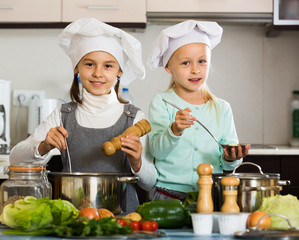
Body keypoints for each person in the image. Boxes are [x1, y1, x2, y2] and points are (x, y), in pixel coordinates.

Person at [9, 17, 157, 212]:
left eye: (108, 66)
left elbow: (150, 183)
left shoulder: (135, 118)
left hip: (123, 217)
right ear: (76, 68)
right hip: (72, 215)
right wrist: (43, 146)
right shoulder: (62, 115)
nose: (98, 73)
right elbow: (15, 159)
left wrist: (137, 162)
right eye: (89, 64)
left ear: (119, 71)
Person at [146, 20, 250, 201]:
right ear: (169, 67)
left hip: (210, 195)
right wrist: (174, 131)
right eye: (186, 63)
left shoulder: (222, 108)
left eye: (202, 61)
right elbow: (156, 152)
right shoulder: (162, 102)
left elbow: (228, 164)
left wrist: (232, 157)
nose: (195, 70)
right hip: (167, 196)